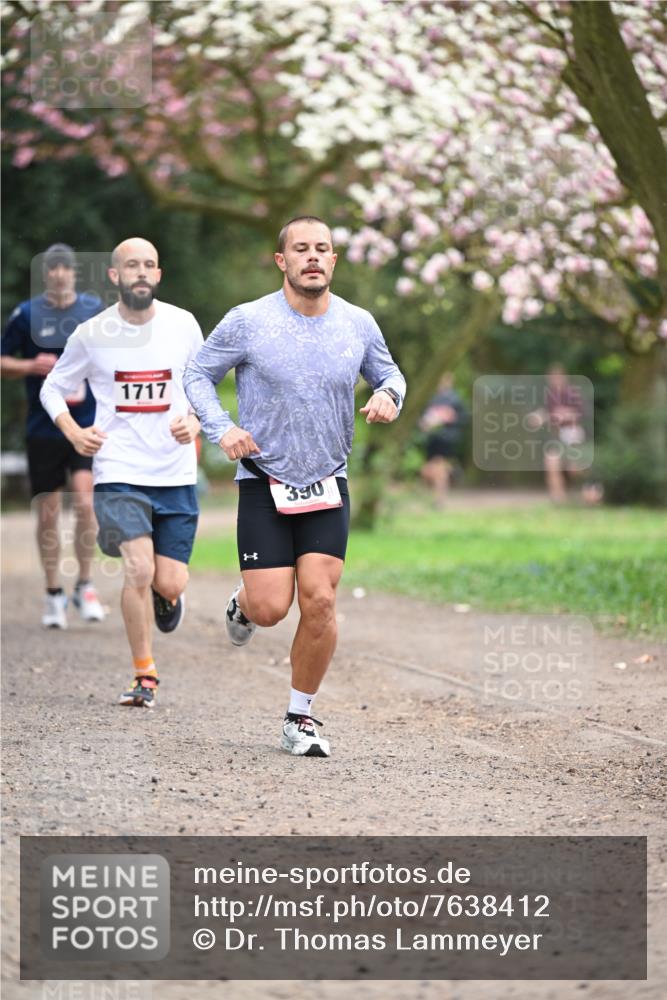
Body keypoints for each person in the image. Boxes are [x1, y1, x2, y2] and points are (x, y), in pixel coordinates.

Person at [183, 215, 406, 758]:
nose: (312, 257)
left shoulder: (358, 323)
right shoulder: (248, 321)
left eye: (322, 249)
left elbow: (391, 374)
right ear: (282, 261)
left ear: (333, 260)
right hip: (264, 480)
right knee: (269, 609)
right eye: (300, 249)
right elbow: (196, 375)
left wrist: (390, 397)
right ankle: (243, 604)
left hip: (327, 482)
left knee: (321, 600)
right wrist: (223, 428)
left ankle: (299, 717)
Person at [40, 238, 203, 708]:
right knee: (138, 567)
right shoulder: (92, 333)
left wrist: (192, 421)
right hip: (120, 469)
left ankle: (167, 596)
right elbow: (54, 389)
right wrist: (73, 432)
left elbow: (204, 383)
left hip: (174, 472)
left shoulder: (183, 325)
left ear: (159, 274)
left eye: (149, 264)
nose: (141, 272)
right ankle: (144, 675)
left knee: (167, 580)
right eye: (131, 265)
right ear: (114, 276)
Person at [1, 243, 105, 628]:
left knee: (85, 502)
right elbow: (2, 360)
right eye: (53, 268)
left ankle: (85, 584)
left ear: (74, 273)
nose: (60, 274)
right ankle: (53, 593)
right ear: (46, 274)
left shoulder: (93, 310)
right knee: (47, 512)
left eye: (66, 268)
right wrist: (30, 364)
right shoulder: (27, 315)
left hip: (86, 424)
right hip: (44, 428)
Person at [419, 372, 467, 507]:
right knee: (427, 471)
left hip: (447, 440)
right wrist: (425, 424)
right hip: (432, 440)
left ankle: (439, 501)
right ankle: (454, 472)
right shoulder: (432, 399)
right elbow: (423, 419)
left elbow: (464, 419)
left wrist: (451, 417)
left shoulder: (455, 400)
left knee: (438, 469)